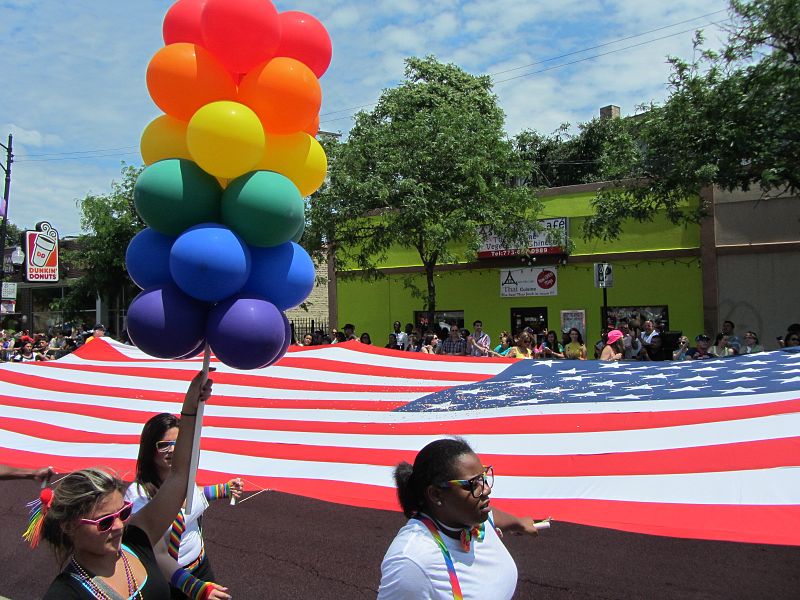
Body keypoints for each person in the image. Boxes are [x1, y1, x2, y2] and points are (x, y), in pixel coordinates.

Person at [29, 371, 230, 599]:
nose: (118, 526)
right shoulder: (64, 595)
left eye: (123, 513)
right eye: (104, 522)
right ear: (68, 526)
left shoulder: (136, 541)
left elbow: (180, 476)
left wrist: (191, 407)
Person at [377, 438, 538, 599]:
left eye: (484, 477)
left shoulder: (472, 516)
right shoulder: (412, 562)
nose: (486, 489)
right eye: (472, 484)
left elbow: (492, 516)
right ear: (436, 494)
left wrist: (519, 523)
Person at [126, 412, 242, 598]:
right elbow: (155, 551)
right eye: (164, 445)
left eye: (177, 444)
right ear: (149, 449)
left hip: (200, 567)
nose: (172, 450)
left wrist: (223, 490)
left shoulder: (184, 478)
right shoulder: (138, 496)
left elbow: (194, 497)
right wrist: (195, 588)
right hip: (169, 578)